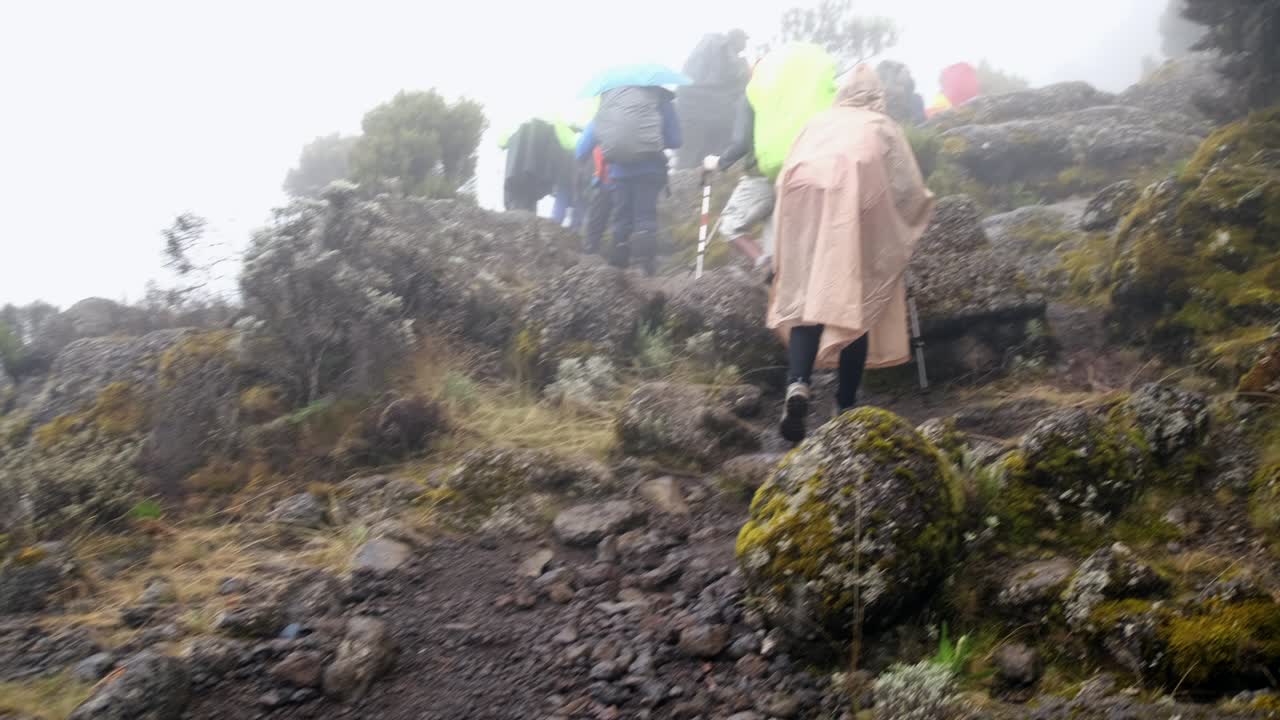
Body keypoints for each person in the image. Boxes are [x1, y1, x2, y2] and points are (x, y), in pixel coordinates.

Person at [768, 65, 936, 442]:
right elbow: (908, 188)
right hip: (849, 211)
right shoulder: (881, 125)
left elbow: (785, 172)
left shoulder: (818, 122)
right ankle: (844, 403)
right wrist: (919, 211)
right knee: (852, 298)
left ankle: (797, 385)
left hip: (801, 208)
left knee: (808, 296)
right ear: (877, 96)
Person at [702, 43, 837, 270]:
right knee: (781, 239)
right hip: (803, 169)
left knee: (731, 226)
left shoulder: (754, 93)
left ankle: (763, 263)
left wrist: (716, 162)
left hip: (762, 175)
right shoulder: (799, 97)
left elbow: (741, 143)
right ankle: (783, 278)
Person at [577, 85, 682, 275]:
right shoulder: (660, 97)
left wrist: (581, 157)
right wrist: (653, 139)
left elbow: (586, 142)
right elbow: (675, 140)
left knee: (621, 217)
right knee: (645, 215)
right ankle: (645, 266)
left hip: (618, 171)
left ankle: (618, 266)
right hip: (650, 168)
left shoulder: (609, 101)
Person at [675, 29, 751, 170]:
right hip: (705, 108)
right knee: (698, 154)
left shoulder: (714, 49)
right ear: (736, 39)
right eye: (744, 40)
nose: (745, 45)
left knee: (694, 154)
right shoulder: (724, 52)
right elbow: (733, 82)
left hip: (694, 108)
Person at [501, 117, 566, 212]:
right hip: (534, 176)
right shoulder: (555, 122)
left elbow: (501, 143)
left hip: (515, 174)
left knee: (516, 205)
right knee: (527, 206)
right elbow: (567, 144)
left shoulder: (513, 122)